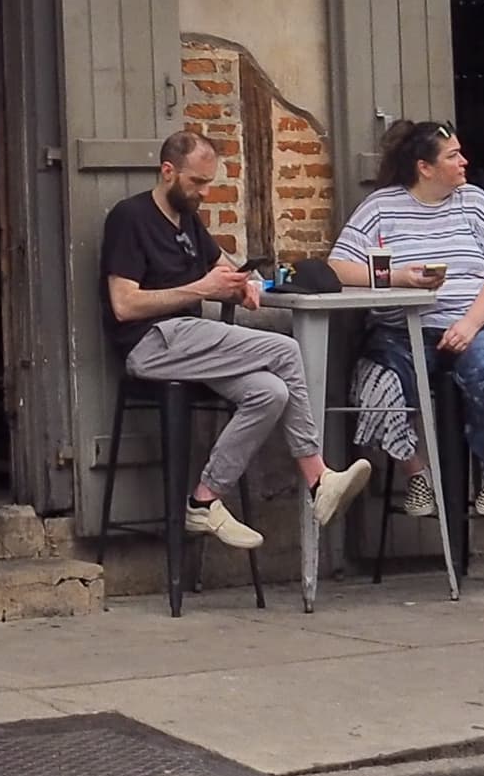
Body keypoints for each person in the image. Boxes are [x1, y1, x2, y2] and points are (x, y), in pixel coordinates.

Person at [102, 131, 373, 549]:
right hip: (151, 342)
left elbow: (222, 268)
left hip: (190, 343)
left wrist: (242, 284)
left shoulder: (187, 217)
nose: (204, 193)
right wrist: (202, 289)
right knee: (285, 348)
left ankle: (203, 500)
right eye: (196, 183)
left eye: (210, 183)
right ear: (168, 171)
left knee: (270, 392)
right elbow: (123, 304)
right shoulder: (130, 217)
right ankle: (318, 478)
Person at [334, 121, 484, 518]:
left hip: (479, 326)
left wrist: (470, 324)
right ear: (424, 167)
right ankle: (417, 474)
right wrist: (397, 277)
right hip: (401, 328)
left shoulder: (475, 201)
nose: (464, 161)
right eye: (453, 156)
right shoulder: (382, 206)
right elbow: (338, 267)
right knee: (377, 381)